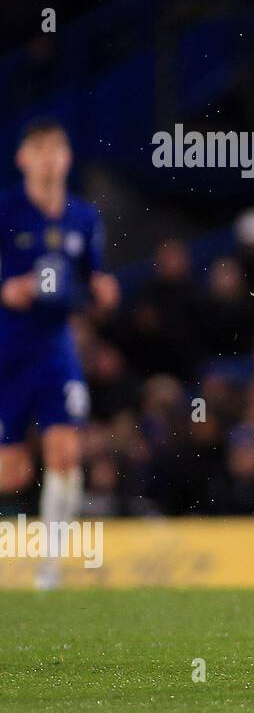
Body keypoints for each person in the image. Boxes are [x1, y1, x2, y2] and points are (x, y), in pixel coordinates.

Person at [0, 120, 119, 587]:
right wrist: (6, 289)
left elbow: (94, 277)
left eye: (57, 150)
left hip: (55, 350)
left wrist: (103, 289)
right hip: (8, 350)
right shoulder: (6, 211)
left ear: (68, 159)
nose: (50, 159)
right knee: (11, 472)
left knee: (66, 453)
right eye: (40, 150)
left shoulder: (84, 218)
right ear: (23, 158)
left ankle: (49, 567)